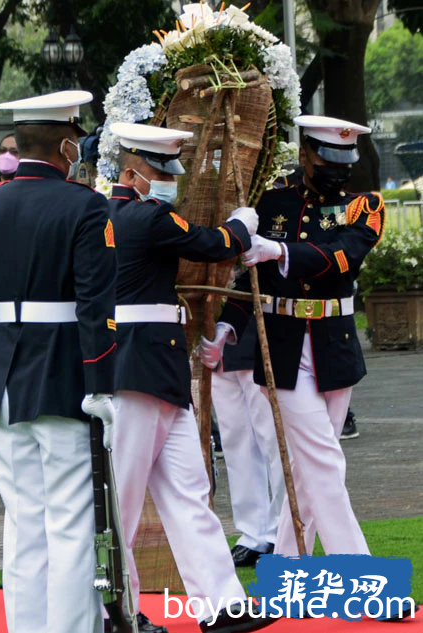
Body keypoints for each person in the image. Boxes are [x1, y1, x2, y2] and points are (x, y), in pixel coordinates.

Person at [202, 115, 417, 622]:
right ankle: (369, 587)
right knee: (323, 461)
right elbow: (249, 281)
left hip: (334, 345)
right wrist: (227, 329)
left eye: (347, 161)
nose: (338, 171)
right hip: (281, 346)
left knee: (305, 470)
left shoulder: (365, 207)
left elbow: (342, 256)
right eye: (328, 160)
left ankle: (284, 575)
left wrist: (278, 250)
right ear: (305, 155)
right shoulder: (272, 202)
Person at [107, 122, 274, 633]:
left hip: (158, 368)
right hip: (133, 368)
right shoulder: (140, 217)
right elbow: (212, 243)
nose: (168, 181)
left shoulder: (129, 214)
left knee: (188, 489)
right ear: (133, 172)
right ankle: (115, 610)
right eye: (159, 171)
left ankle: (220, 604)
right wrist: (243, 224)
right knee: (122, 504)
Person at [0, 90, 117, 633]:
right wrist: (102, 383)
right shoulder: (86, 206)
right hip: (65, 373)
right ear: (67, 143)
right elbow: (95, 308)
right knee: (71, 521)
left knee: (24, 520)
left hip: (4, 375)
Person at [210, 324, 284, 568]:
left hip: (258, 335)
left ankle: (281, 533)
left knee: (275, 443)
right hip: (216, 345)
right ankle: (253, 533)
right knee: (235, 444)